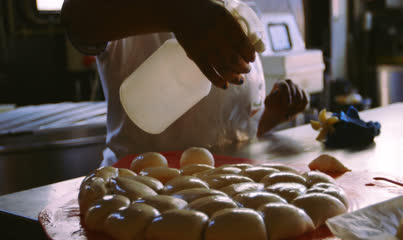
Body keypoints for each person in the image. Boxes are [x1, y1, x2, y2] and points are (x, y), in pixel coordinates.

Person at [61, 0, 308, 166]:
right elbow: (78, 18)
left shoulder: (237, 9)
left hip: (225, 194)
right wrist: (180, 12)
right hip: (141, 193)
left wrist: (270, 114)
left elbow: (221, 132)